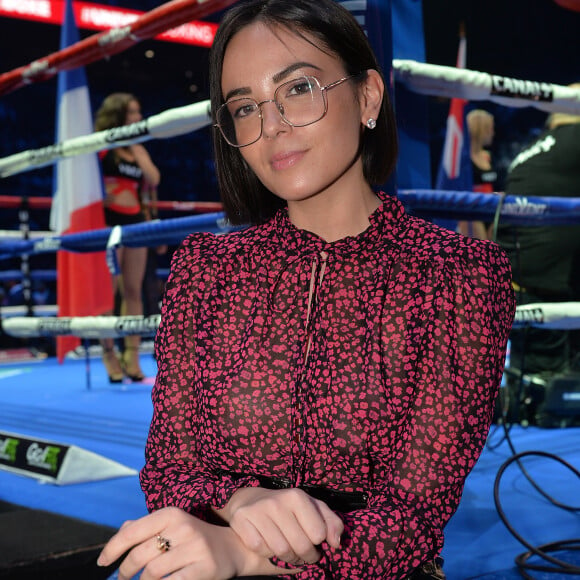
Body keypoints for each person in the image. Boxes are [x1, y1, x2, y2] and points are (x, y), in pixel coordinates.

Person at [96, 1, 515, 578]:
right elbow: (171, 465)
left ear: (368, 96)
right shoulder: (205, 269)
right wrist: (242, 503)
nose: (271, 127)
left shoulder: (460, 276)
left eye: (297, 89)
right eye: (245, 107)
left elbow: (414, 519)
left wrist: (244, 554)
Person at [496, 98, 580, 393]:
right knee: (547, 391)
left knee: (532, 386)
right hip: (546, 287)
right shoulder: (574, 138)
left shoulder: (533, 149)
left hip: (517, 281)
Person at [94, 93, 161, 382]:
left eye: (138, 111)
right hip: (107, 222)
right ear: (118, 115)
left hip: (134, 221)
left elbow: (154, 179)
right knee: (107, 292)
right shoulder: (102, 144)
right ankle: (108, 354)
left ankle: (131, 355)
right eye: (132, 112)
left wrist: (136, 146)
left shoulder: (136, 148)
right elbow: (87, 181)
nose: (137, 117)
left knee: (133, 289)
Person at [457, 109, 498, 240]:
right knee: (479, 254)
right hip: (473, 211)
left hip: (491, 209)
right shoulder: (463, 159)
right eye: (490, 129)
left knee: (492, 253)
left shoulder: (487, 156)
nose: (493, 133)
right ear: (481, 130)